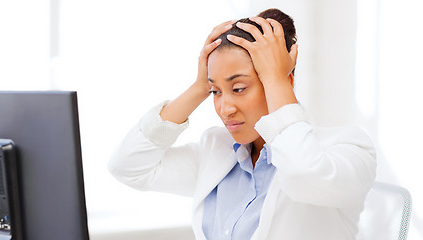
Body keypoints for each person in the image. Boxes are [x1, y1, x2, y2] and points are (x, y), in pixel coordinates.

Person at [108, 8, 376, 240]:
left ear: (285, 81)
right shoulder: (217, 151)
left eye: (238, 88)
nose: (225, 108)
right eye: (216, 92)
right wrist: (200, 86)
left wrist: (276, 79)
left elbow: (301, 174)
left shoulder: (348, 148)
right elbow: (128, 166)